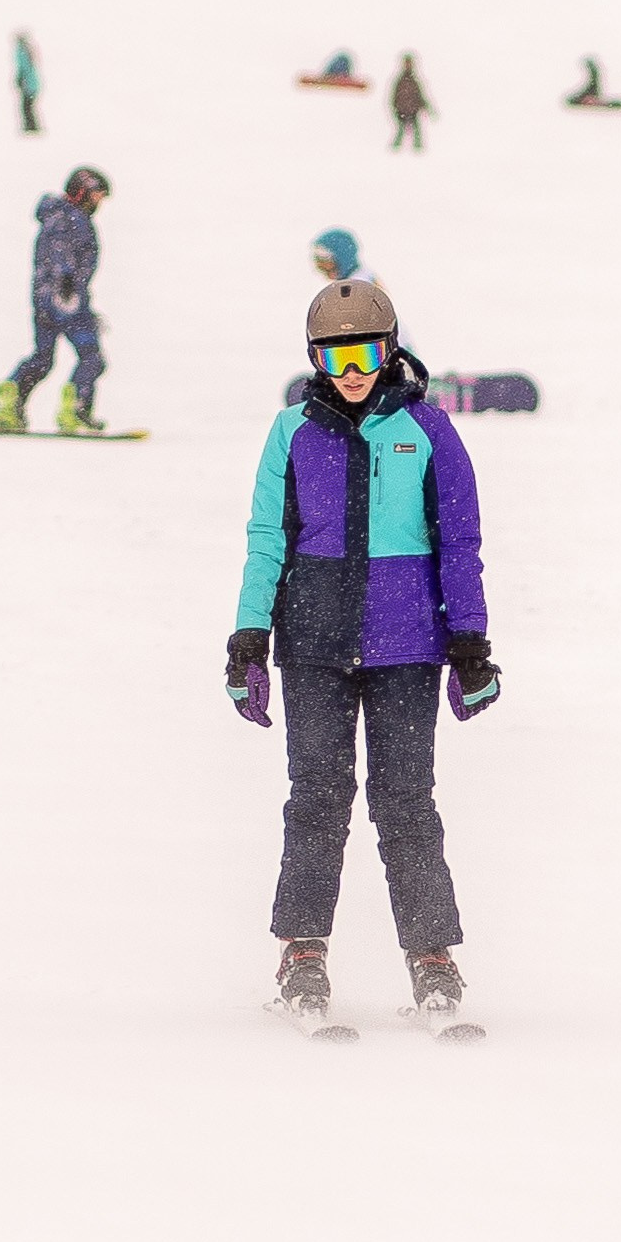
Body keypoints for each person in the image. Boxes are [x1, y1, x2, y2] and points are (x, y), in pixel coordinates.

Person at [226, 276, 501, 1028]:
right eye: (335, 353)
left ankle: (432, 958)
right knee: (317, 797)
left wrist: (470, 642)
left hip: (408, 647)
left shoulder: (429, 429)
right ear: (315, 358)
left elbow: (459, 541)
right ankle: (302, 952)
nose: (352, 369)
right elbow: (265, 538)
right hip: (311, 644)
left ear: (391, 348)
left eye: (366, 351)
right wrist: (250, 636)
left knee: (406, 802)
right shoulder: (291, 432)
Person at [0, 166, 112, 434]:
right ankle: (76, 411)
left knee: (43, 358)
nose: (98, 204)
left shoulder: (56, 216)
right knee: (91, 357)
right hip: (65, 299)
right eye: (96, 196)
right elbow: (59, 252)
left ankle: (10, 400)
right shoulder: (69, 219)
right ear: (81, 192)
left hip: (46, 299)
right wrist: (67, 282)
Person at [389, 53, 433, 155]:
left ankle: (419, 152)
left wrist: (427, 107)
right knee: (400, 131)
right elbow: (394, 96)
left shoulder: (414, 80)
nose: (408, 65)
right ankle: (394, 152)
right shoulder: (400, 80)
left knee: (417, 132)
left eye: (409, 63)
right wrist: (396, 108)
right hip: (401, 111)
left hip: (413, 111)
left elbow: (420, 96)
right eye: (406, 63)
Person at [12, 30, 42, 136]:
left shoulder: (22, 50)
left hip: (29, 84)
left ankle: (31, 127)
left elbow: (24, 67)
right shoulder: (26, 49)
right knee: (27, 105)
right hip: (31, 83)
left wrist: (20, 78)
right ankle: (31, 126)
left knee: (26, 106)